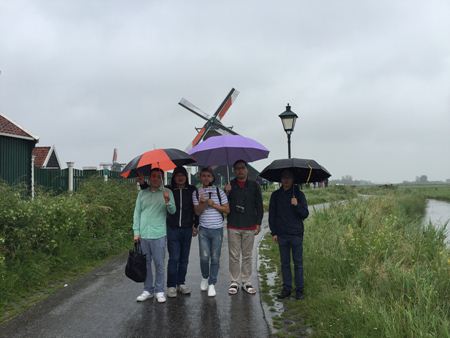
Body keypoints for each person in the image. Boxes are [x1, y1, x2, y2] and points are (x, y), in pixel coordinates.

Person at [133, 168, 176, 303]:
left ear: (162, 178)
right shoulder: (142, 193)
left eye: (159, 176)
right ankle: (148, 290)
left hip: (159, 234)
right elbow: (137, 213)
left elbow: (173, 211)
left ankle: (159, 291)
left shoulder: (167, 192)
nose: (156, 179)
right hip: (144, 234)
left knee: (159, 264)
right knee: (145, 263)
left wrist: (168, 201)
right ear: (149, 178)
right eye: (153, 176)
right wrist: (136, 232)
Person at [268, 169, 309, 300]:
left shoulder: (299, 194)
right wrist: (274, 232)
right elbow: (272, 215)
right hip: (282, 235)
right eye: (284, 177)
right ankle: (286, 288)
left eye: (288, 177)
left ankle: (299, 290)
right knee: (284, 263)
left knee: (298, 263)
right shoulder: (275, 195)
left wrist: (296, 205)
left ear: (293, 179)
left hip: (296, 234)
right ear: (281, 179)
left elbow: (305, 214)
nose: (286, 180)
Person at [224, 160, 263, 295]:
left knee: (247, 255)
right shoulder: (230, 185)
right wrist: (226, 193)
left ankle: (246, 281)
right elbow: (224, 206)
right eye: (237, 169)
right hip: (233, 224)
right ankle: (234, 281)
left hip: (249, 224)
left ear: (247, 169)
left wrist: (258, 223)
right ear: (234, 171)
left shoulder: (254, 185)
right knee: (234, 255)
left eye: (242, 168)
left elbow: (259, 206)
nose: (240, 171)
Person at [192, 167, 230, 297]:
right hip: (204, 229)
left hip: (217, 229)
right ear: (200, 177)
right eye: (203, 175)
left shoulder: (219, 192)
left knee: (215, 257)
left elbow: (227, 210)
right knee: (204, 257)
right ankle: (204, 277)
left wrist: (212, 204)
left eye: (209, 176)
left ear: (213, 178)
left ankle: (212, 283)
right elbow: (197, 212)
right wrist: (203, 203)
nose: (206, 178)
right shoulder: (197, 193)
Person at [165, 166, 199, 298]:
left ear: (186, 176)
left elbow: (196, 209)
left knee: (184, 258)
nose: (180, 177)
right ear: (173, 177)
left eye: (182, 175)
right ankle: (171, 285)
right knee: (174, 258)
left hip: (187, 228)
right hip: (172, 228)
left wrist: (196, 224)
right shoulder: (168, 189)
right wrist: (143, 184)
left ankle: (181, 283)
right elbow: (153, 189)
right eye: (177, 175)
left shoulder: (192, 190)